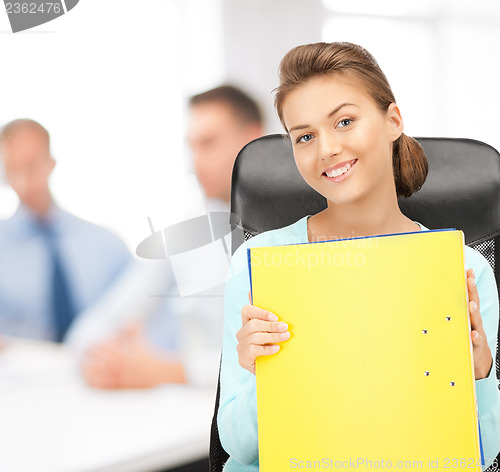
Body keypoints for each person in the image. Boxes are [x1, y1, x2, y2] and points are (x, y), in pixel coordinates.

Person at [217, 42, 500, 470]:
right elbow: (238, 447)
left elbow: (484, 452)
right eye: (305, 136)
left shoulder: (466, 271)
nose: (326, 148)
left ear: (393, 121)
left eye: (345, 121)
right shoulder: (259, 263)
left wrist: (476, 375)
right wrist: (266, 380)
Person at [80, 85, 264, 389]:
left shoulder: (302, 226)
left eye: (209, 143)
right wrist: (99, 359)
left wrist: (169, 372)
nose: (196, 161)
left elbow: (283, 354)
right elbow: (106, 317)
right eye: (191, 146)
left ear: (252, 138)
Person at [0, 119, 131, 343]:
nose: (23, 182)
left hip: (96, 369)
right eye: (12, 169)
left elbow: (140, 307)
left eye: (31, 165)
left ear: (50, 163)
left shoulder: (107, 246)